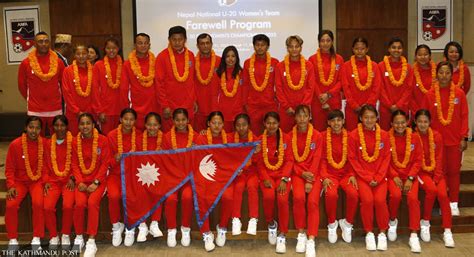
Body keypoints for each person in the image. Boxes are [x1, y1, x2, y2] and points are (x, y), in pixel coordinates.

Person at [424, 61, 469, 216]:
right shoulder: (430, 94)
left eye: (447, 73)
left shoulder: (459, 94)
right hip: (435, 142)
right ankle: (440, 202)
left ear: (452, 75)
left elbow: (464, 116)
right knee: (438, 172)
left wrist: (464, 137)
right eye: (441, 72)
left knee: (454, 172)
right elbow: (426, 118)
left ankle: (454, 202)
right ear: (436, 74)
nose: (444, 76)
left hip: (454, 140)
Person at [348, 104, 390, 251]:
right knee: (367, 200)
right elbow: (352, 159)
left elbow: (386, 158)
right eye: (366, 117)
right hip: (362, 176)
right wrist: (366, 177)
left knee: (379, 201)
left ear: (377, 118)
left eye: (372, 117)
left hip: (380, 176)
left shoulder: (384, 135)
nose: (369, 120)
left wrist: (378, 177)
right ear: (360, 118)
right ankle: (369, 233)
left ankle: (383, 233)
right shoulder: (353, 135)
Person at [414, 109, 455, 248]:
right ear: (415, 122)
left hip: (437, 173)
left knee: (443, 194)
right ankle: (425, 222)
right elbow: (415, 161)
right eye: (420, 121)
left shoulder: (436, 136)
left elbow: (439, 158)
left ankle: (448, 230)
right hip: (421, 173)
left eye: (425, 121)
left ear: (430, 122)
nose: (423, 124)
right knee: (431, 190)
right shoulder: (412, 136)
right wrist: (432, 180)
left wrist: (437, 177)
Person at [72, 113, 110, 257]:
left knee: (93, 202)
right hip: (81, 181)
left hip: (98, 181)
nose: (85, 126)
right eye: (82, 124)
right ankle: (79, 236)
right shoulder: (75, 142)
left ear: (94, 125)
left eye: (88, 123)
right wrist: (79, 181)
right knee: (80, 204)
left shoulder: (102, 140)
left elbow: (105, 164)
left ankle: (91, 241)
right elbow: (74, 163)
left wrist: (96, 182)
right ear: (78, 126)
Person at [5, 116, 46, 247]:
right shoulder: (15, 144)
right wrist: (11, 185)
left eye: (37, 128)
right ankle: (12, 239)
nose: (34, 131)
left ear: (41, 130)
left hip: (37, 181)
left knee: (38, 203)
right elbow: (9, 168)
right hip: (19, 182)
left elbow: (48, 166)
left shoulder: (44, 144)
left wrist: (46, 181)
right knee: (11, 205)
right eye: (31, 127)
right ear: (25, 128)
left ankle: (36, 238)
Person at [195, 111, 233, 251]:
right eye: (213, 123)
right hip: (205, 176)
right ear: (208, 124)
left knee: (228, 196)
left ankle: (222, 227)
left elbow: (233, 157)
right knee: (200, 196)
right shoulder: (201, 138)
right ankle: (206, 232)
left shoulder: (229, 138)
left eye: (219, 123)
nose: (216, 126)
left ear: (223, 124)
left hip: (223, 177)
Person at [257, 112, 294, 253]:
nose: (271, 126)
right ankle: (271, 224)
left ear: (279, 124)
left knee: (283, 199)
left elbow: (290, 160)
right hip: (267, 175)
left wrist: (285, 179)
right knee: (268, 196)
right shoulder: (261, 140)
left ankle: (282, 234)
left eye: (274, 123)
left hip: (282, 175)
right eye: (268, 123)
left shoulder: (286, 138)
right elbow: (260, 163)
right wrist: (265, 178)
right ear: (264, 124)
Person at [289, 105, 322, 257]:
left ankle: (311, 238)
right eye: (299, 116)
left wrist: (310, 178)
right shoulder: (289, 136)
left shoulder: (317, 135)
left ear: (310, 117)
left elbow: (317, 159)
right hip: (297, 173)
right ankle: (301, 233)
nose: (302, 119)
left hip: (314, 174)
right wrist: (302, 173)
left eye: (305, 115)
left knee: (312, 202)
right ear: (295, 118)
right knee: (298, 198)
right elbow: (290, 160)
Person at [320, 110, 358, 245]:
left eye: (339, 120)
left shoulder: (351, 137)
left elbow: (353, 158)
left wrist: (353, 174)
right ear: (328, 123)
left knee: (353, 193)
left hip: (347, 174)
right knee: (330, 194)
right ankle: (332, 224)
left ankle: (347, 224)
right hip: (330, 174)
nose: (336, 123)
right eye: (333, 120)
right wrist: (324, 177)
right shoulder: (323, 136)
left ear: (343, 122)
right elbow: (322, 159)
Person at [386, 110, 422, 252]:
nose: (400, 125)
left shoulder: (414, 138)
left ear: (407, 123)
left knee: (413, 199)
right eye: (396, 122)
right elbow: (385, 160)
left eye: (402, 122)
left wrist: (411, 178)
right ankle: (393, 221)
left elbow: (418, 161)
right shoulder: (386, 138)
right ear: (391, 124)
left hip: (410, 177)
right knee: (395, 196)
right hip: (393, 176)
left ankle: (414, 235)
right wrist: (394, 175)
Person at [161, 108, 197, 248]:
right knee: (170, 199)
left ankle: (185, 229)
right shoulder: (166, 137)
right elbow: (163, 159)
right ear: (173, 121)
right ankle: (171, 230)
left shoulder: (195, 136)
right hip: (172, 177)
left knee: (188, 197)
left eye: (183, 120)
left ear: (188, 120)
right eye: (177, 120)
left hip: (189, 177)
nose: (181, 123)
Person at [18, 31, 65, 136]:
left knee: (58, 137)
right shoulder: (26, 63)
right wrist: (32, 99)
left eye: (46, 41)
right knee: (36, 139)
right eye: (40, 41)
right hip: (35, 109)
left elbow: (63, 84)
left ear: (49, 43)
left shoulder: (58, 62)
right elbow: (22, 86)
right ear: (34, 44)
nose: (44, 44)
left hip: (55, 108)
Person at [107, 108, 141, 247]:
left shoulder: (139, 135)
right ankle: (116, 227)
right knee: (114, 196)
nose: (128, 122)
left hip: (132, 174)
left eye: (131, 119)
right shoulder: (111, 135)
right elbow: (106, 161)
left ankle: (130, 227)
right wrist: (115, 159)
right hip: (115, 174)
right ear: (120, 120)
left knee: (132, 196)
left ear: (135, 121)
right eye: (125, 119)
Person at [156, 26, 197, 131]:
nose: (177, 42)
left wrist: (194, 100)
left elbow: (193, 81)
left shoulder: (191, 56)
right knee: (170, 139)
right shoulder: (162, 57)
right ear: (169, 40)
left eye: (180, 39)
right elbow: (159, 83)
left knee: (188, 136)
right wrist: (164, 105)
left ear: (185, 40)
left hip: (188, 104)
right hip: (170, 106)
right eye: (174, 39)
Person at [44, 115, 75, 247]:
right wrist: (45, 181)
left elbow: (76, 163)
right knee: (47, 207)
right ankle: (53, 236)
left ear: (67, 126)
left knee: (68, 206)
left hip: (69, 181)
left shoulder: (73, 142)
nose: (59, 128)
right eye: (56, 125)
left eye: (62, 125)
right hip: (53, 181)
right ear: (53, 127)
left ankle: (66, 234)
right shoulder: (47, 143)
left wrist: (73, 178)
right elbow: (44, 165)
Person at [275, 35, 315, 132]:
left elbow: (310, 87)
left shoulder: (308, 65)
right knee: (285, 138)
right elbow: (279, 88)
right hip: (286, 110)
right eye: (291, 46)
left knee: (303, 138)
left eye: (296, 46)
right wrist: (287, 107)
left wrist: (303, 108)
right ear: (287, 48)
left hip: (303, 110)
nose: (294, 49)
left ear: (301, 48)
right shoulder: (280, 66)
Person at [341, 37, 381, 131]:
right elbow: (346, 88)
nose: (359, 51)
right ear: (352, 49)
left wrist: (368, 106)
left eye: (362, 49)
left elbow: (377, 87)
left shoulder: (374, 66)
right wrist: (355, 105)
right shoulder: (346, 66)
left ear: (367, 49)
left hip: (370, 109)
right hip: (352, 109)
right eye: (356, 48)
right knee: (352, 135)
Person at [242, 34, 279, 135]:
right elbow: (245, 84)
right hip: (253, 106)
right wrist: (245, 104)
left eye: (263, 45)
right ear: (254, 46)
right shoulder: (247, 63)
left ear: (267, 46)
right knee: (255, 135)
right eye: (257, 45)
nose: (260, 47)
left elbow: (279, 84)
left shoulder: (275, 62)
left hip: (270, 105)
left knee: (271, 134)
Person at [136, 112, 164, 242]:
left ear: (159, 126)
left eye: (155, 125)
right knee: (141, 190)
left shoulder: (166, 138)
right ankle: (142, 225)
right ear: (145, 125)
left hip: (160, 174)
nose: (152, 128)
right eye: (149, 125)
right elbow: (134, 160)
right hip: (142, 174)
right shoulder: (138, 139)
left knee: (158, 189)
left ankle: (154, 223)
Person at [308, 30, 344, 131]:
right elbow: (312, 81)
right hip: (317, 101)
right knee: (318, 130)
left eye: (328, 40)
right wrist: (321, 97)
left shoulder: (339, 59)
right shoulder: (312, 59)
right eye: (322, 41)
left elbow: (341, 81)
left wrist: (328, 94)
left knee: (335, 130)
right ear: (319, 42)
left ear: (332, 42)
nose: (325, 43)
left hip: (334, 99)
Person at [121, 33, 158, 130]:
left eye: (146, 43)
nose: (143, 46)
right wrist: (127, 109)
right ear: (134, 45)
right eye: (140, 43)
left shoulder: (156, 62)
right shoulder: (128, 64)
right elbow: (124, 88)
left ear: (149, 45)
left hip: (154, 106)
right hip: (136, 108)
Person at [230, 114, 259, 236]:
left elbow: (259, 162)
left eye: (244, 125)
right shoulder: (230, 138)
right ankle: (236, 219)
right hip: (238, 172)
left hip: (252, 171)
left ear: (249, 126)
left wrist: (257, 153)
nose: (241, 128)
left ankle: (253, 219)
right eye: (238, 125)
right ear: (234, 126)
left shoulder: (256, 139)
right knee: (238, 187)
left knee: (252, 187)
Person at [93, 37, 127, 134]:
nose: (111, 50)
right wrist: (99, 111)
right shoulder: (98, 65)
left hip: (122, 110)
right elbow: (95, 90)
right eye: (108, 48)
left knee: (120, 139)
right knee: (107, 138)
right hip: (106, 111)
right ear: (104, 49)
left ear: (118, 49)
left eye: (114, 48)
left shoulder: (125, 65)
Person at [378, 38, 414, 130]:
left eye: (399, 48)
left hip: (402, 107)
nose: (396, 50)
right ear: (389, 49)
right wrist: (389, 105)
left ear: (403, 50)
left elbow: (409, 89)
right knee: (385, 135)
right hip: (386, 108)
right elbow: (380, 87)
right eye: (393, 47)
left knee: (402, 134)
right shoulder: (381, 66)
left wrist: (398, 105)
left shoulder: (408, 68)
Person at [62, 44, 95, 135]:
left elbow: (96, 92)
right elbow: (66, 92)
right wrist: (77, 111)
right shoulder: (67, 71)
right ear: (74, 55)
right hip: (73, 113)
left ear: (88, 54)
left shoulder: (94, 70)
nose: (81, 56)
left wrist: (89, 110)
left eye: (84, 53)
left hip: (90, 111)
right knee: (74, 139)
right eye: (78, 54)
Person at [194, 33, 220, 131]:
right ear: (197, 46)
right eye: (202, 43)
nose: (205, 46)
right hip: (198, 107)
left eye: (207, 43)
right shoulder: (193, 61)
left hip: (215, 107)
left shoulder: (220, 61)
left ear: (211, 44)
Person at [216, 46, 245, 132]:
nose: (230, 59)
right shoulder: (219, 73)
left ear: (237, 58)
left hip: (239, 112)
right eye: (227, 56)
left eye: (233, 56)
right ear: (224, 58)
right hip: (223, 113)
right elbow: (214, 94)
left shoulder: (242, 73)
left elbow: (245, 92)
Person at [411, 45, 436, 116]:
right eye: (419, 55)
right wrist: (417, 112)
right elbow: (410, 94)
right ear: (415, 57)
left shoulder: (437, 70)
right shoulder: (411, 72)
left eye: (425, 54)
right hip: (416, 111)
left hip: (435, 110)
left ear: (430, 56)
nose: (423, 57)